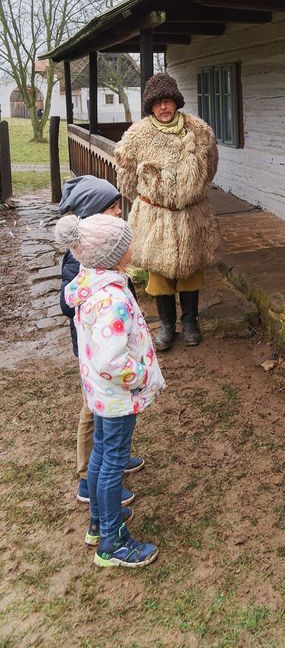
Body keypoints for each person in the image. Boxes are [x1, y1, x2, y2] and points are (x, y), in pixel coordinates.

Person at [55, 212, 165, 568]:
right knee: (113, 463)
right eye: (128, 242)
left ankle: (99, 524)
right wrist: (141, 376)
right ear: (115, 254)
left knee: (102, 457)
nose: (133, 247)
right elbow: (113, 360)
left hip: (100, 394)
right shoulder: (111, 300)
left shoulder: (91, 285)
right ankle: (112, 543)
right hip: (118, 397)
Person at [115, 74, 219, 350]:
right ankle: (166, 326)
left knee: (190, 270)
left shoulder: (199, 131)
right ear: (151, 106)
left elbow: (210, 169)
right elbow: (125, 180)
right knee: (159, 273)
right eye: (158, 103)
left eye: (168, 101)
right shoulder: (137, 135)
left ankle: (190, 323)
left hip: (190, 215)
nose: (164, 107)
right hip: (155, 217)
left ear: (176, 103)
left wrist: (189, 193)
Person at [58, 175, 143, 505]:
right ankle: (85, 477)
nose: (119, 212)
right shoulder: (77, 258)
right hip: (95, 351)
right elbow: (67, 302)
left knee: (109, 412)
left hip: (108, 344)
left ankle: (114, 458)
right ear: (91, 217)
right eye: (112, 208)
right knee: (93, 411)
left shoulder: (104, 251)